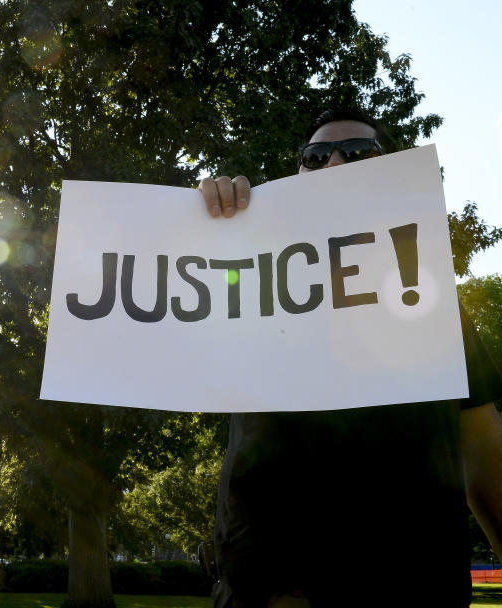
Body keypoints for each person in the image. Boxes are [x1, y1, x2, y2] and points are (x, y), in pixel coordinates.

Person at [197, 108, 502, 608]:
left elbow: (484, 449)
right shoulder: (246, 286)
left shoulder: (433, 301)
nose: (334, 165)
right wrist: (199, 225)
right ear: (293, 177)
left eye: (359, 153)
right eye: (315, 157)